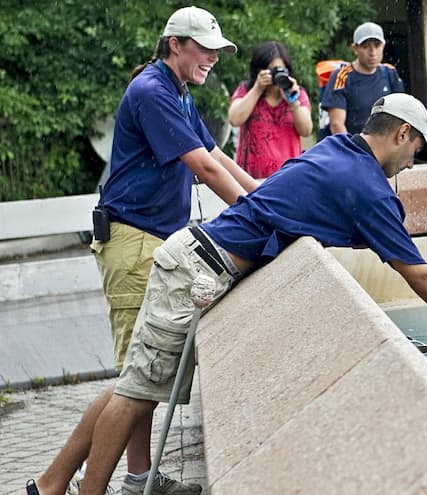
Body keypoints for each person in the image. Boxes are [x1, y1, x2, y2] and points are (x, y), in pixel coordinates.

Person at [28, 94, 427, 495]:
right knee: (136, 397)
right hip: (197, 269)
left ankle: (51, 486)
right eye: (415, 150)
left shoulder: (337, 151)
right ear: (403, 133)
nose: (410, 162)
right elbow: (420, 276)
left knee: (132, 389)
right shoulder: (366, 185)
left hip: (193, 258)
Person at [44, 7, 259, 495]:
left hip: (153, 242)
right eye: (203, 49)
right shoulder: (153, 91)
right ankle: (63, 482)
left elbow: (218, 156)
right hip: (133, 241)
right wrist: (262, 219)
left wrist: (265, 198)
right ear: (175, 44)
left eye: (216, 52)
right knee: (136, 380)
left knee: (141, 377)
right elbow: (204, 169)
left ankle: (125, 479)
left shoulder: (177, 91)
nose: (212, 59)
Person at [227, 41, 312, 178]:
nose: (275, 76)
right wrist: (257, 89)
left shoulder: (297, 94)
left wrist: (293, 102)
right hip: (250, 178)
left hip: (287, 177)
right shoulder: (246, 90)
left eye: (280, 70)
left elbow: (306, 130)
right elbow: (234, 119)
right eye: (271, 71)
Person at [320, 22, 404, 138]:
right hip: (353, 148)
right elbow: (337, 124)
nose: (372, 52)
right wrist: (353, 152)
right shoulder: (342, 76)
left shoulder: (390, 73)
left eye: (377, 45)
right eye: (366, 46)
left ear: (383, 46)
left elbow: (400, 115)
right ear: (355, 48)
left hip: (384, 148)